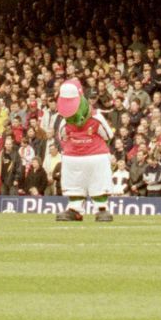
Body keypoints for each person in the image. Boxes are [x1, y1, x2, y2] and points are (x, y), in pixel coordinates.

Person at [55, 78, 115, 222]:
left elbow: (108, 135)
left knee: (97, 180)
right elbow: (107, 135)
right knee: (74, 182)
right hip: (75, 157)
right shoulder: (67, 120)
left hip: (92, 156)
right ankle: (75, 208)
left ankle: (101, 208)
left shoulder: (95, 117)